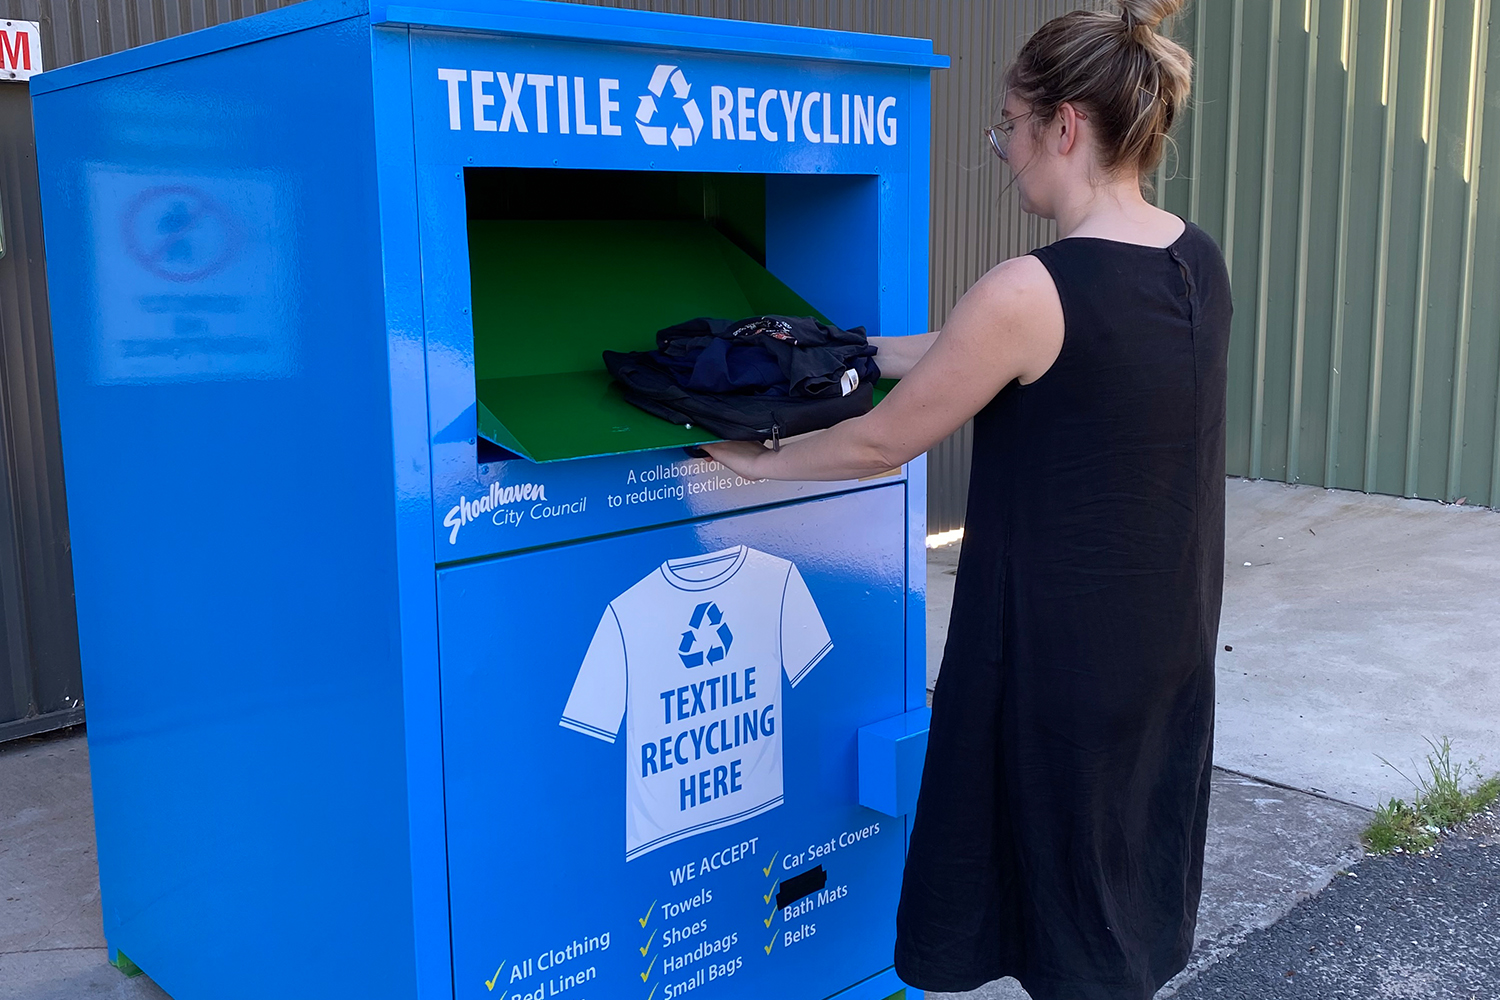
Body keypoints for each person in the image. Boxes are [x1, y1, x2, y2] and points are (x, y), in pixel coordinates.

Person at [703, 1, 1230, 997]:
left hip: (1058, 658)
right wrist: (840, 345)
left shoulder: (1033, 288)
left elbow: (878, 442)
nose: (1003, 150)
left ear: (1064, 126)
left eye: (1009, 127)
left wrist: (747, 463)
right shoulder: (1193, 259)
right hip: (1162, 643)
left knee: (1061, 912)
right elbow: (970, 358)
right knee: (1116, 892)